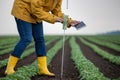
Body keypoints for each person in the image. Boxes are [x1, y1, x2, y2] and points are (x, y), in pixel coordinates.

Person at [5, 0, 80, 76]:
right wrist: (54, 18)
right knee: (26, 39)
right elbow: (36, 9)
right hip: (23, 10)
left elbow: (57, 11)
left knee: (40, 39)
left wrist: (70, 21)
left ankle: (43, 69)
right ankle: (9, 68)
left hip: (36, 14)